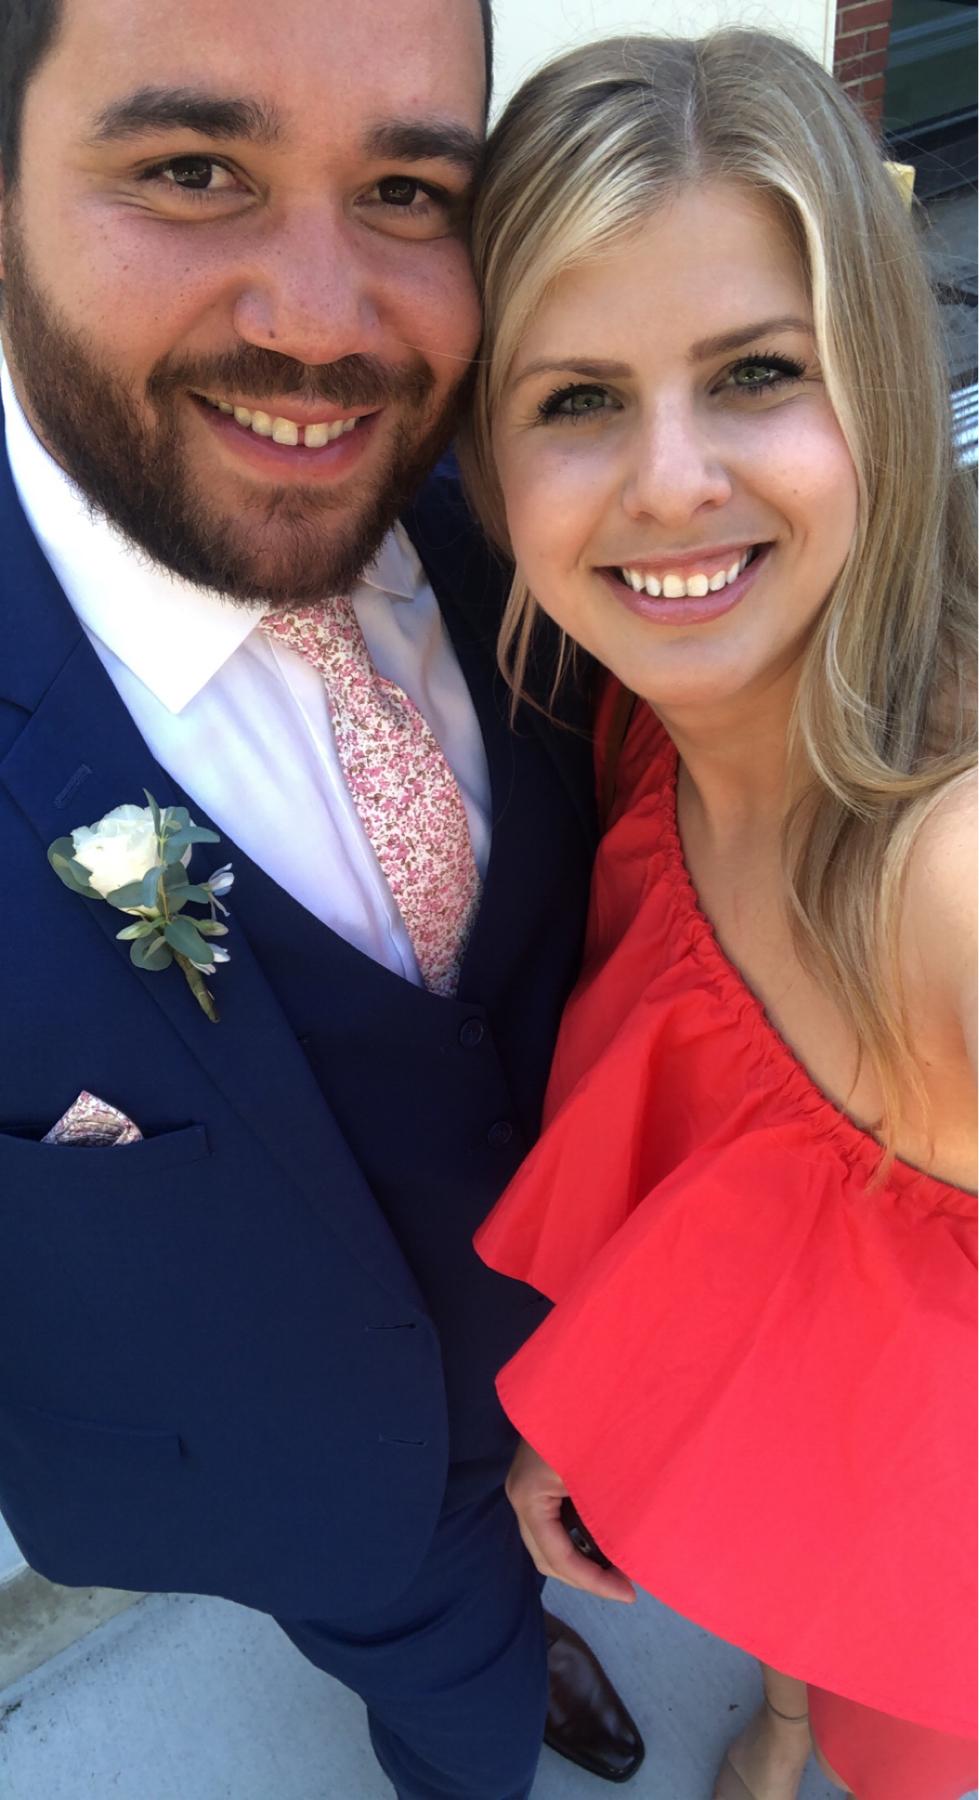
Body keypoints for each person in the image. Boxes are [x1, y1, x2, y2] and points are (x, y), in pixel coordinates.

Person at [0, 1, 646, 1795]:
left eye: (408, 190)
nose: (319, 323)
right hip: (296, 1488)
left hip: (587, 1367)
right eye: (191, 168)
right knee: (456, 1716)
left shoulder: (536, 511)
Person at [463, 29, 978, 1800]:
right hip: (788, 1495)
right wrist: (592, 1413)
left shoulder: (942, 879)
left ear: (879, 390)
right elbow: (735, 1237)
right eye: (578, 398)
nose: (671, 482)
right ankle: (778, 1714)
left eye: (756, 371)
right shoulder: (637, 721)